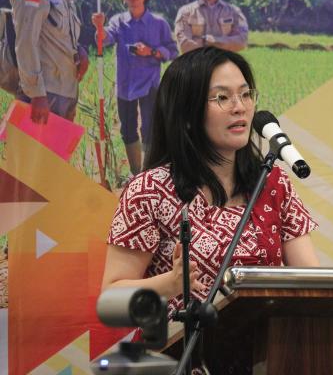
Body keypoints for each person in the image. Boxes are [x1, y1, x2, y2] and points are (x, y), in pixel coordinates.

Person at [103, 46, 319, 329]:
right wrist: (170, 284)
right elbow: (111, 302)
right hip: (185, 347)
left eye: (245, 94)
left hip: (269, 346)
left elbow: (312, 283)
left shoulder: (272, 183)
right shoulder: (150, 190)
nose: (240, 107)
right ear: (187, 114)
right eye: (222, 97)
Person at [92, 0, 178, 175]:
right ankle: (136, 173)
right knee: (127, 129)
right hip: (125, 85)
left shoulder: (159, 23)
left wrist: (152, 52)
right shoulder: (118, 21)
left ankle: (150, 172)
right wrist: (99, 27)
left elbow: (173, 50)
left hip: (150, 84)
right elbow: (104, 39)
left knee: (149, 128)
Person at [10, 0, 89, 124]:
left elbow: (57, 36)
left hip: (66, 93)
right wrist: (37, 94)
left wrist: (79, 50)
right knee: (29, 141)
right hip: (44, 96)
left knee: (59, 141)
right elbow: (26, 43)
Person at [175, 0, 248, 53]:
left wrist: (212, 41)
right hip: (197, 61)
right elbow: (184, 45)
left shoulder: (234, 12)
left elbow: (242, 41)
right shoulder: (185, 12)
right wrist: (210, 42)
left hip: (224, 60)